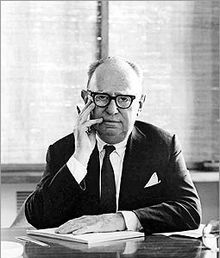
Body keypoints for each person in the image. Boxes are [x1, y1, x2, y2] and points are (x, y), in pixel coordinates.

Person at [25, 56, 201, 235]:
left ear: (139, 104)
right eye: (102, 97)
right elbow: (38, 217)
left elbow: (190, 211)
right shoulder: (63, 150)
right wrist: (80, 158)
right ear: (86, 98)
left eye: (124, 99)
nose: (112, 109)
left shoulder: (163, 145)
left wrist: (122, 219)